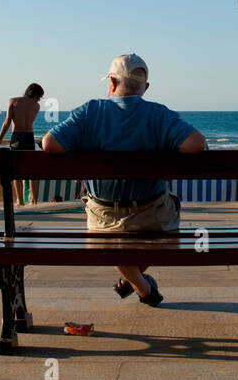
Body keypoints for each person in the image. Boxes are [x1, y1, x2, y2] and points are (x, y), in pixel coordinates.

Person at [41, 54, 206, 306]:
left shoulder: (90, 111)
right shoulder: (158, 114)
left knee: (114, 240)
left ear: (113, 82)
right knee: (166, 214)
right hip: (152, 216)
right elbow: (196, 144)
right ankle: (140, 284)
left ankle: (140, 285)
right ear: (145, 88)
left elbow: (49, 144)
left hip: (103, 217)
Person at [0, 83, 44, 204]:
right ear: (35, 95)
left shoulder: (13, 101)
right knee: (31, 172)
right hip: (29, 137)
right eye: (39, 96)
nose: (39, 99)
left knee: (16, 171)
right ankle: (34, 201)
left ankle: (21, 201)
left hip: (17, 136)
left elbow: (8, 121)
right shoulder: (36, 106)